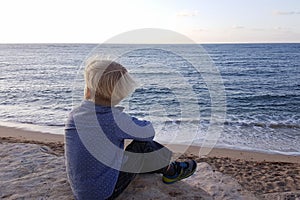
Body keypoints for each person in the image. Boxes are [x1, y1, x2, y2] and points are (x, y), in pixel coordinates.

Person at [65, 57, 197, 200]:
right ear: (119, 94)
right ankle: (171, 170)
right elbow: (148, 132)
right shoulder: (114, 119)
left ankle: (160, 166)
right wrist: (130, 119)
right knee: (142, 145)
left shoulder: (75, 115)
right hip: (104, 194)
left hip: (80, 189)